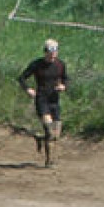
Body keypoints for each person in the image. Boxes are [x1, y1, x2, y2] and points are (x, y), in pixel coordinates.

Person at [18, 38, 69, 166]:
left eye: (55, 52)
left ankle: (40, 139)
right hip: (42, 100)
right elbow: (22, 78)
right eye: (50, 52)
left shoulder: (60, 65)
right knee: (50, 131)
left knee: (56, 135)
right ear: (45, 52)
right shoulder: (37, 64)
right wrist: (28, 89)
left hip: (54, 101)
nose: (52, 55)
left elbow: (66, 79)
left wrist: (64, 86)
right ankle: (49, 161)